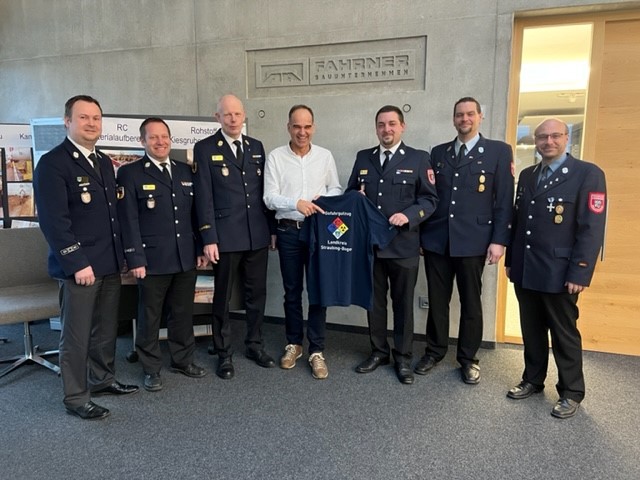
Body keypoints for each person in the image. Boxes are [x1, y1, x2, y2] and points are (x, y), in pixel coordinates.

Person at [33, 95, 138, 421]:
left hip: (108, 263)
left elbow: (111, 216)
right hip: (80, 267)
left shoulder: (104, 161)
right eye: (83, 118)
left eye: (96, 118)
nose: (91, 123)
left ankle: (102, 380)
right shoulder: (52, 164)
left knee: (105, 330)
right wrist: (77, 262)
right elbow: (54, 222)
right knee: (76, 335)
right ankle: (76, 396)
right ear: (68, 122)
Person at [505, 118, 607, 419]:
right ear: (535, 141)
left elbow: (591, 228)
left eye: (555, 136)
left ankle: (571, 391)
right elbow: (518, 220)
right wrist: (511, 260)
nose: (548, 142)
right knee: (532, 329)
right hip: (526, 268)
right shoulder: (526, 175)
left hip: (560, 272)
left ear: (566, 138)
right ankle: (533, 379)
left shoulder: (587, 174)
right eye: (542, 137)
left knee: (564, 333)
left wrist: (580, 270)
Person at [418, 97, 514, 384]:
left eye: (470, 114)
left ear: (480, 117)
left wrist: (499, 240)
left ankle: (468, 358)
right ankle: (434, 351)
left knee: (471, 302)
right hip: (438, 240)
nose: (465, 119)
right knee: (437, 301)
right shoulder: (439, 152)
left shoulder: (498, 151)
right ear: (453, 119)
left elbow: (504, 201)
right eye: (460, 114)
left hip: (474, 240)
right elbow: (430, 197)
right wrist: (423, 235)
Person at [347, 105, 438, 385]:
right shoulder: (364, 157)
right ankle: (378, 351)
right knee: (374, 304)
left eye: (392, 124)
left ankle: (403, 358)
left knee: (402, 306)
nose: (386, 129)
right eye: (381, 125)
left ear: (402, 127)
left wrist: (408, 216)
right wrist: (356, 196)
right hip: (372, 247)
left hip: (404, 246)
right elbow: (350, 193)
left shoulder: (419, 158)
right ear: (376, 128)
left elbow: (430, 200)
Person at [116, 117, 207, 392]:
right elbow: (128, 220)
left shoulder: (184, 171)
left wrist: (201, 247)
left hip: (185, 256)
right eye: (153, 137)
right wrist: (135, 259)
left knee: (182, 313)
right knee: (150, 315)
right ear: (142, 141)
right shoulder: (130, 174)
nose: (160, 142)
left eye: (164, 136)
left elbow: (195, 213)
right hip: (151, 260)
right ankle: (151, 367)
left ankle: (182, 360)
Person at [193, 94, 275, 379]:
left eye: (237, 114)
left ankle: (254, 344)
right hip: (224, 237)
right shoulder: (204, 149)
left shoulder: (256, 147)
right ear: (218, 117)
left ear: (244, 117)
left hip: (256, 235)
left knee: (256, 295)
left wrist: (271, 231)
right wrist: (208, 237)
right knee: (222, 297)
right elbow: (203, 197)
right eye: (227, 114)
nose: (233, 119)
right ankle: (224, 352)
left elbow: (264, 193)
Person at [263, 104, 342, 379]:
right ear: (288, 127)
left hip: (319, 232)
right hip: (288, 231)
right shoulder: (275, 157)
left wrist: (325, 200)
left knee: (318, 292)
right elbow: (269, 197)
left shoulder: (325, 156)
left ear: (314, 127)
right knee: (292, 291)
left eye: (307, 126)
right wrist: (295, 202)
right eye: (297, 126)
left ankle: (317, 350)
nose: (302, 132)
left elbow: (336, 188)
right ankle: (294, 343)